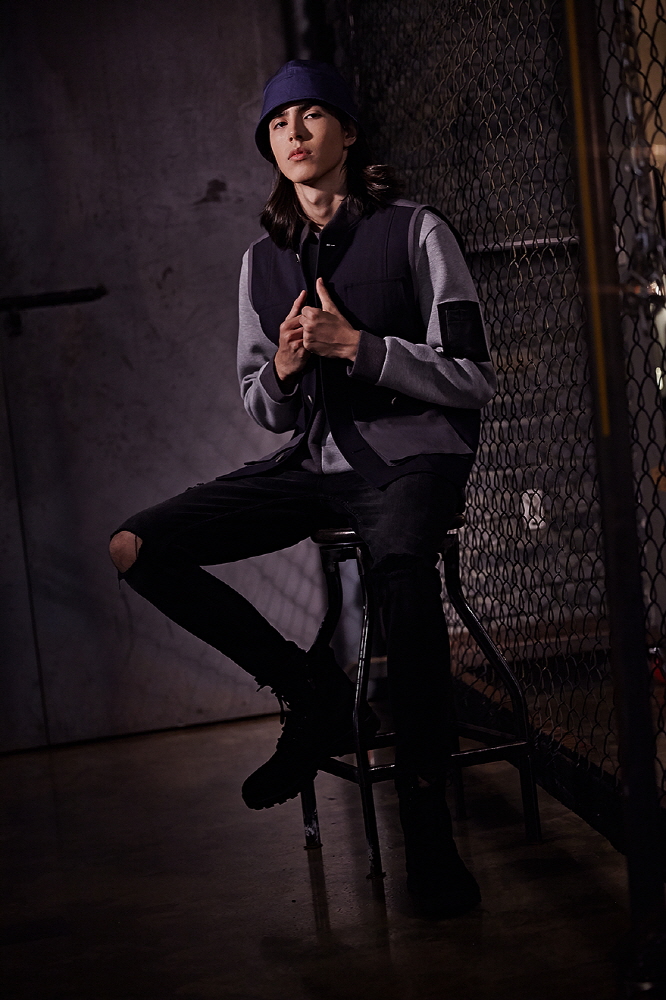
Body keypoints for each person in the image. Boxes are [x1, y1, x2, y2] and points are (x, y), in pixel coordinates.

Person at [109, 60, 496, 918]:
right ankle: (311, 690)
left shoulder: (417, 230)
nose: (294, 133)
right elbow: (265, 408)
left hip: (411, 460)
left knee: (402, 577)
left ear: (347, 133)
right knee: (137, 547)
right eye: (278, 124)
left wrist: (359, 347)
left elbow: (472, 377)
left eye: (312, 116)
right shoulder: (262, 263)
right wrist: (285, 367)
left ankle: (428, 829)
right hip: (316, 465)